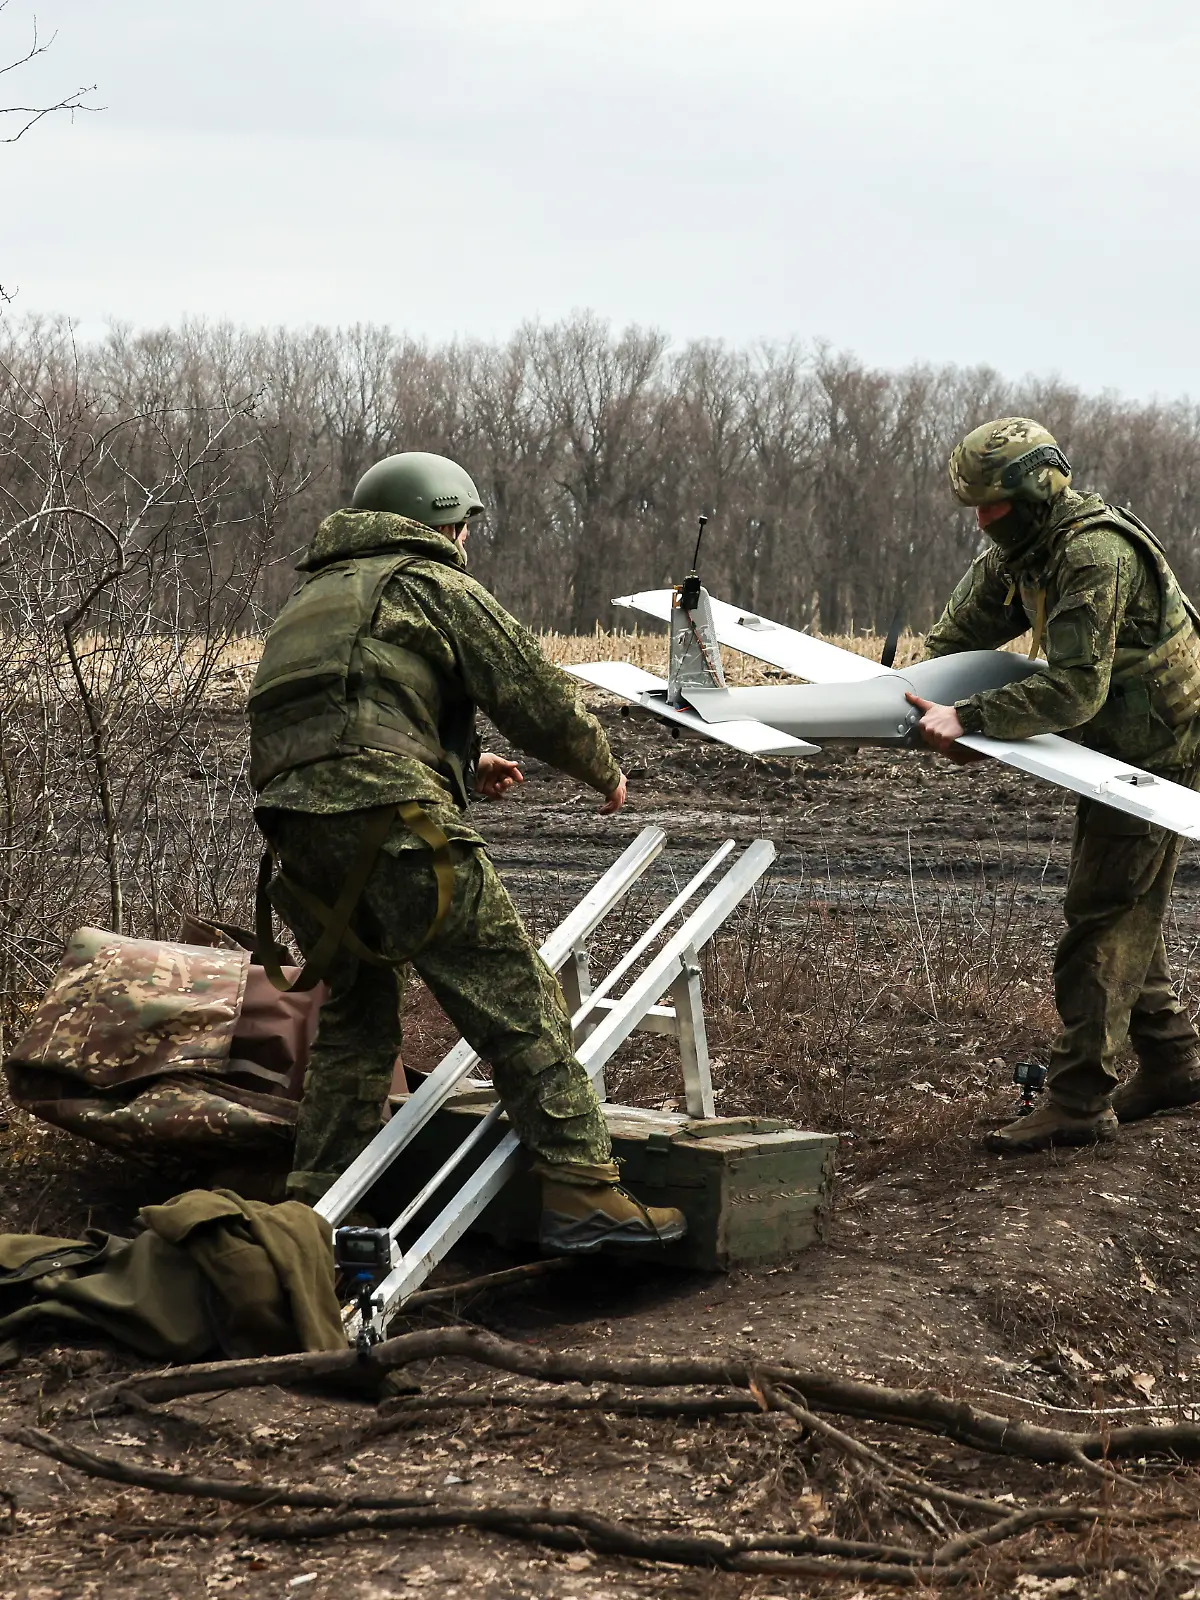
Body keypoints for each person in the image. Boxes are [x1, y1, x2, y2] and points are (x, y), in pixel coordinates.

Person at [247, 450, 686, 1249]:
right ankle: (585, 1191)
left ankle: (312, 1212)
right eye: (463, 527)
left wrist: (459, 762)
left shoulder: (314, 599)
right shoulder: (427, 582)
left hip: (297, 838)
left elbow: (345, 718)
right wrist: (601, 765)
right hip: (391, 821)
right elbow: (532, 690)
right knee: (516, 998)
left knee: (354, 1018)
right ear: (441, 521)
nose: (467, 543)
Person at [907, 417, 1200, 1153]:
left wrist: (971, 718)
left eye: (992, 505)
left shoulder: (1093, 553)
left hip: (1164, 741)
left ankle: (1077, 1103)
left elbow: (1072, 690)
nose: (982, 520)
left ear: (1035, 493)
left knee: (1101, 914)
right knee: (1124, 902)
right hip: (1117, 736)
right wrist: (916, 697)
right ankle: (1172, 1063)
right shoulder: (1026, 548)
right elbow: (953, 644)